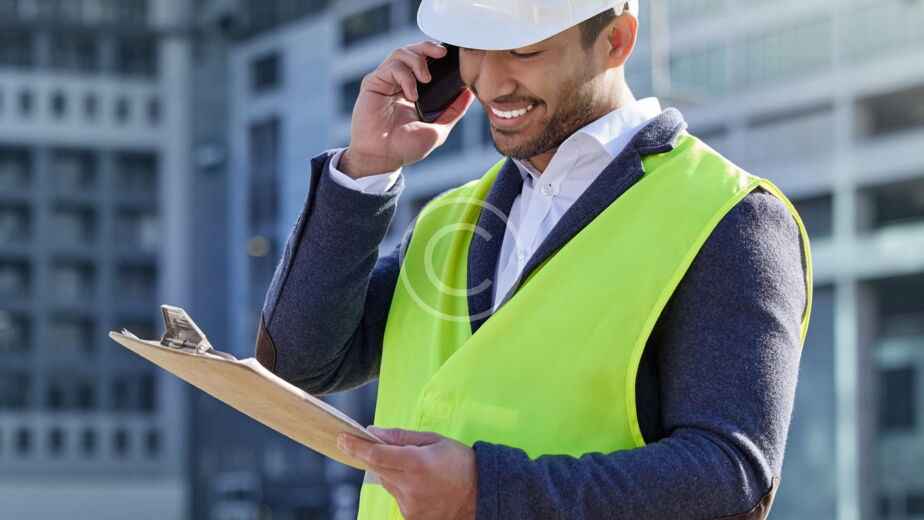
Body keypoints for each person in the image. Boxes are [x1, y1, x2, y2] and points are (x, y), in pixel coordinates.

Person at [255, 1, 813, 518]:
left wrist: (486, 489)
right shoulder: (450, 219)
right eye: (473, 48)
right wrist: (366, 169)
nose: (491, 82)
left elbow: (731, 477)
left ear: (615, 40)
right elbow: (303, 363)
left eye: (525, 51)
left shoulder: (729, 215)